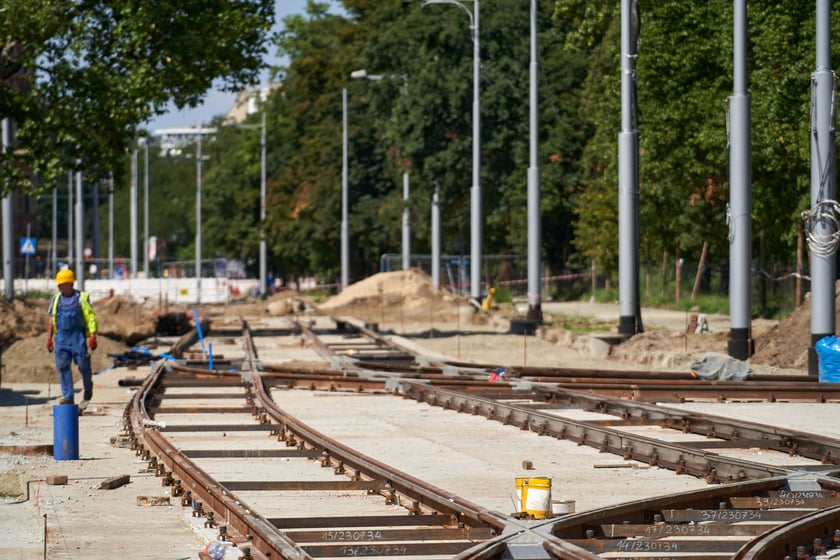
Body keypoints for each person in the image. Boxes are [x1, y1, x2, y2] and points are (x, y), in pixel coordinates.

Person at [46, 269, 98, 406]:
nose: (59, 286)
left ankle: (88, 388)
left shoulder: (81, 298)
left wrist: (93, 335)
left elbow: (90, 317)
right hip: (61, 338)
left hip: (77, 337)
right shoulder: (56, 299)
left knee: (83, 365)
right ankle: (68, 396)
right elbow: (51, 320)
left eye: (61, 284)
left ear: (70, 284)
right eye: (58, 284)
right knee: (62, 366)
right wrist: (49, 338)